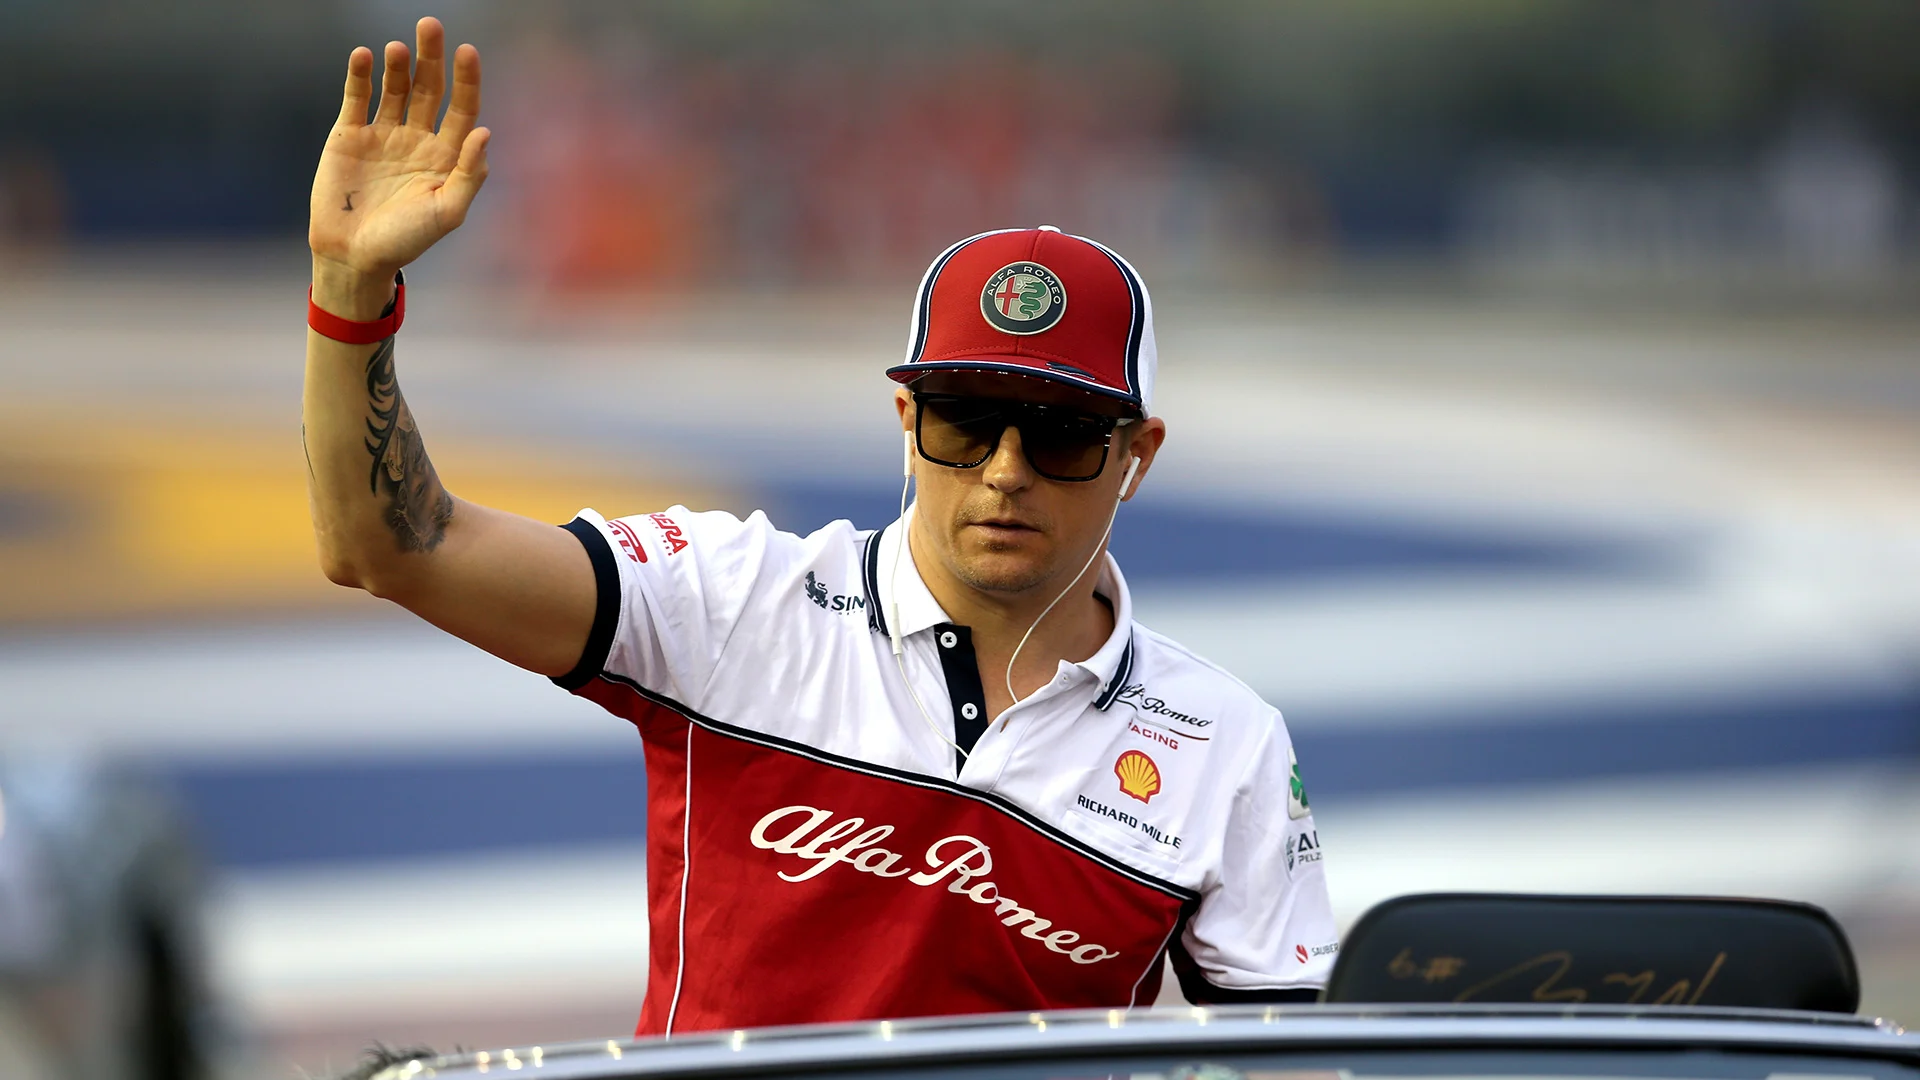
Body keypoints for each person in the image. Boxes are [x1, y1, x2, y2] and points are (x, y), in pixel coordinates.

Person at [304, 17, 1336, 1038]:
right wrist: (351, 294)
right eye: (963, 422)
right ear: (905, 422)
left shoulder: (1226, 747)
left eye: (1062, 435)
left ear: (1138, 457)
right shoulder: (734, 600)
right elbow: (392, 546)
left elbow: (1287, 1064)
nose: (1006, 470)